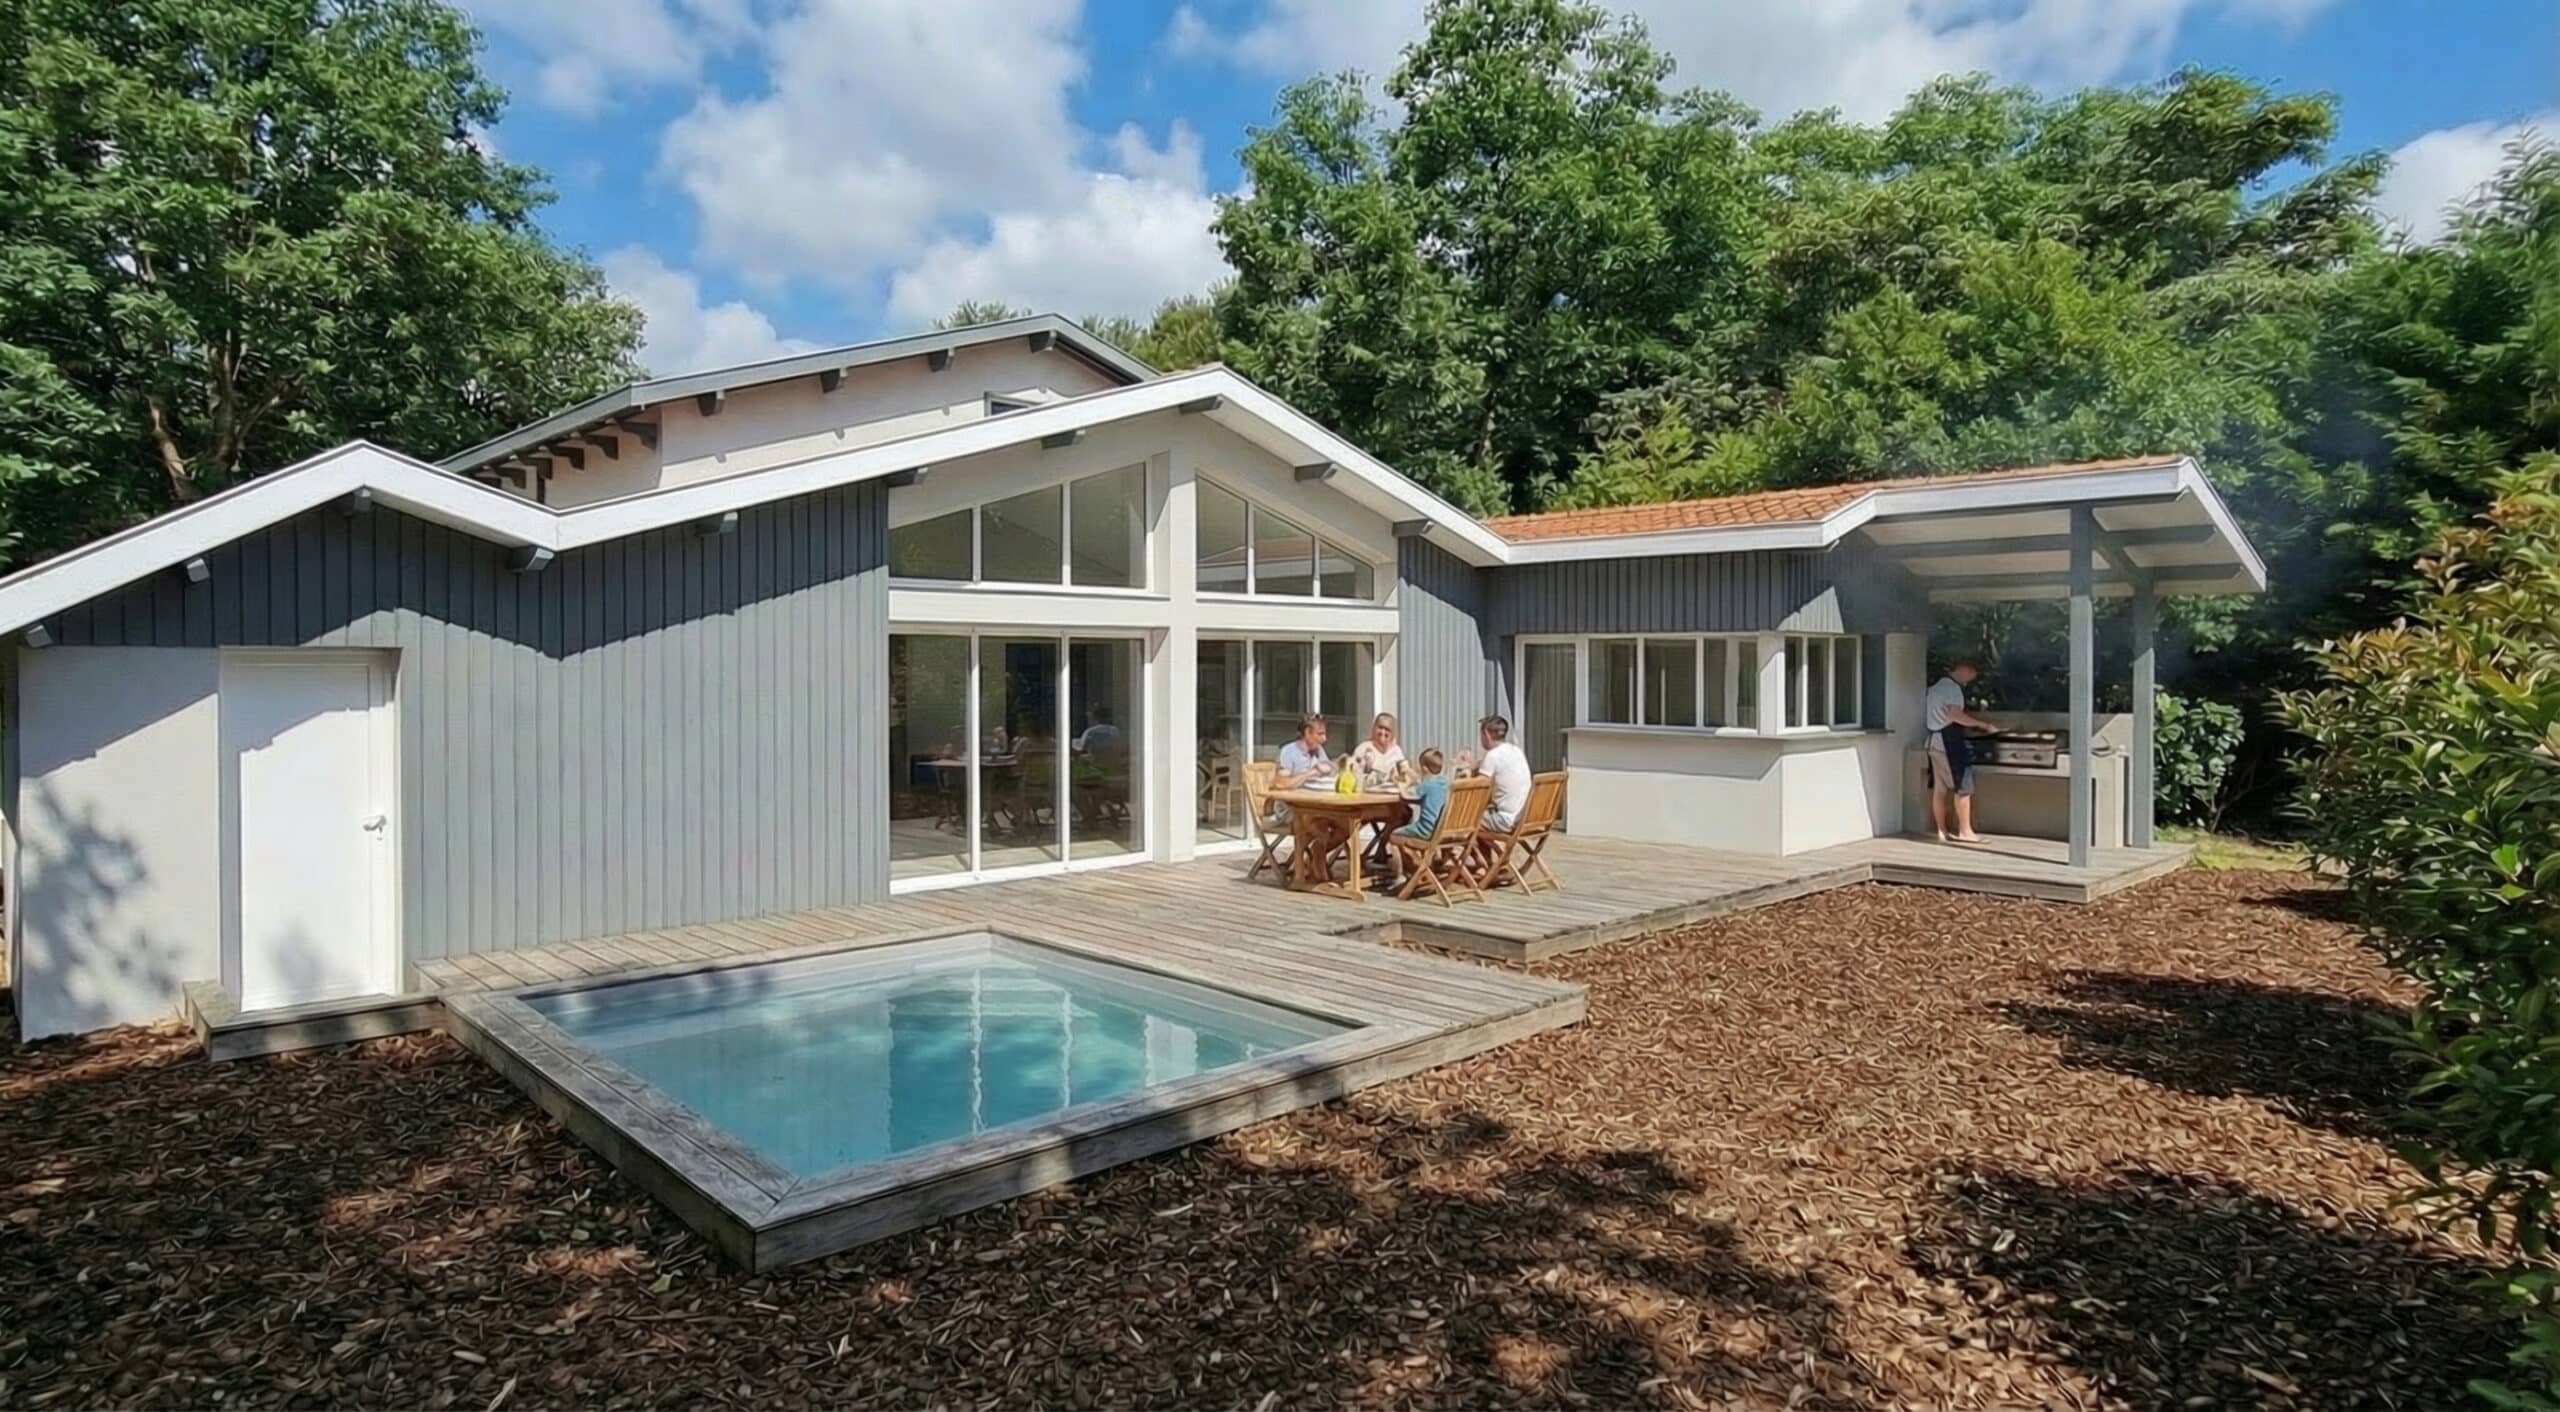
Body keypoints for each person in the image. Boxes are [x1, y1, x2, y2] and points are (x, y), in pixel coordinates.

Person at [1925, 659, 2000, 844]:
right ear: (1964, 669)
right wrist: (1982, 725)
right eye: (1973, 673)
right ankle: (1965, 832)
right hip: (1948, 741)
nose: (1972, 678)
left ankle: (1942, 832)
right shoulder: (1952, 689)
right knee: (1963, 787)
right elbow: (1954, 715)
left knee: (1940, 789)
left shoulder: (1935, 688)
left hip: (1933, 741)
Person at [1471, 714, 1531, 834]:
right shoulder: (1517, 751)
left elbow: (1478, 790)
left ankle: (1452, 852)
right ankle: (1492, 853)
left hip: (1506, 820)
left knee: (1465, 818)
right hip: (1524, 816)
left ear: (1486, 735)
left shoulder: (1492, 755)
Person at [1394, 747, 1449, 843]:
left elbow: (1406, 797)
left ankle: (1412, 858)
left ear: (1424, 768)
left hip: (1426, 829)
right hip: (1443, 829)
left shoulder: (1426, 785)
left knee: (1394, 835)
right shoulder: (1445, 782)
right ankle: (1425, 857)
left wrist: (1402, 786)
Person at [1346, 712, 1406, 787]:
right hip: (1368, 795)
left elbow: (1404, 777)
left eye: (1387, 729)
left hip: (1391, 796)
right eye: (1380, 727)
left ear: (1393, 733)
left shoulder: (1397, 752)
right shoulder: (1362, 749)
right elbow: (1353, 777)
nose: (1383, 732)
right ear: (1373, 728)